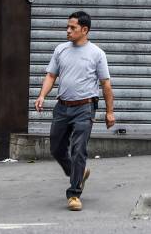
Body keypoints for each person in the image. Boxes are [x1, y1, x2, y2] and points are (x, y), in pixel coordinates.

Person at [35, 11, 116, 211]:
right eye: (67, 27)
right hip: (62, 107)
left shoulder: (97, 53)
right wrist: (42, 95)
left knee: (78, 149)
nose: (68, 31)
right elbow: (51, 76)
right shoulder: (60, 50)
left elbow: (106, 84)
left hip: (85, 108)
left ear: (84, 30)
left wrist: (109, 112)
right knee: (56, 148)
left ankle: (74, 194)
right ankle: (78, 173)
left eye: (73, 28)